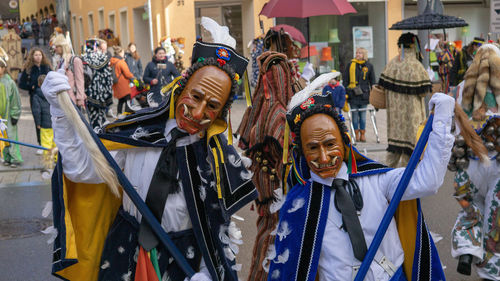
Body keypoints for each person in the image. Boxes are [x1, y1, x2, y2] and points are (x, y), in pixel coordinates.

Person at [42, 20, 256, 281]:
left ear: (221, 113)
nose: (198, 112)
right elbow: (83, 171)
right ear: (181, 88)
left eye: (212, 106)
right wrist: (60, 114)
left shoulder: (217, 160)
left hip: (181, 261)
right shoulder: (137, 133)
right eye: (196, 96)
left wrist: (206, 274)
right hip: (124, 251)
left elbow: (220, 228)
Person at [266, 78, 453, 281]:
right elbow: (289, 270)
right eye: (313, 147)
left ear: (345, 141)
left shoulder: (378, 179)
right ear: (301, 151)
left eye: (330, 144)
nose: (323, 157)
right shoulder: (298, 205)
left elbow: (428, 181)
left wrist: (442, 120)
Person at [448, 43, 500, 280]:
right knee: (494, 220)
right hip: (496, 166)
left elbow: (449, 128)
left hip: (465, 168)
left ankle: (467, 249)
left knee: (471, 212)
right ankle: (491, 271)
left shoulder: (459, 90)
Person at [378, 33, 431, 168]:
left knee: (392, 158)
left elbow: (381, 88)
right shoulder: (416, 66)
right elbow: (424, 92)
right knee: (410, 157)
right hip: (411, 121)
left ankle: (388, 178)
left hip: (395, 123)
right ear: (414, 46)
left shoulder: (391, 64)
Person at [19, 47, 52, 153]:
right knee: (38, 120)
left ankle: (50, 142)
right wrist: (31, 87)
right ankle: (41, 143)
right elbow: (22, 84)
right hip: (35, 98)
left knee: (48, 120)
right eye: (36, 55)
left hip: (47, 97)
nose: (38, 57)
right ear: (32, 57)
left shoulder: (46, 67)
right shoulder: (29, 69)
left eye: (40, 55)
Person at [343, 47, 375, 142]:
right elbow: (345, 80)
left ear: (364, 54)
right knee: (354, 116)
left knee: (363, 116)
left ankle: (363, 134)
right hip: (353, 94)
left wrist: (374, 91)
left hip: (364, 95)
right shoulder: (350, 65)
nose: (357, 54)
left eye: (360, 53)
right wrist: (346, 90)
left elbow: (372, 80)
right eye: (357, 53)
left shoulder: (369, 66)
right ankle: (356, 134)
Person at [81, 43, 114, 131]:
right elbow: (108, 76)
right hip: (103, 93)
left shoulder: (84, 59)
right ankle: (103, 131)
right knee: (102, 113)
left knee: (93, 115)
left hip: (90, 92)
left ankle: (96, 132)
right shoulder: (103, 58)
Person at [0, 53, 22, 168]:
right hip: (0, 117)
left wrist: (15, 114)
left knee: (11, 136)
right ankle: (7, 157)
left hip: (9, 115)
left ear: (4, 68)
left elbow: (15, 100)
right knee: (3, 138)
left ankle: (15, 158)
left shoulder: (9, 82)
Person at [52, 34, 86, 109]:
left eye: (57, 46)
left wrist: (80, 99)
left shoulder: (75, 60)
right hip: (63, 99)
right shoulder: (60, 61)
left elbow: (79, 80)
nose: (55, 49)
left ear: (62, 47)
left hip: (72, 100)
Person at [32, 74, 55, 171]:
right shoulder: (53, 93)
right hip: (54, 123)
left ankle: (48, 164)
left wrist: (38, 123)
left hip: (44, 125)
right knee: (55, 143)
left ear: (38, 84)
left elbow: (37, 111)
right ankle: (56, 161)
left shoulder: (36, 96)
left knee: (46, 144)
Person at [110, 46, 135, 115]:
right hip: (123, 84)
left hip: (116, 84)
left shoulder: (112, 61)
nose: (124, 54)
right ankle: (127, 113)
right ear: (120, 53)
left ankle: (119, 113)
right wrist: (136, 81)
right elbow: (127, 74)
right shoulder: (121, 62)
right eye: (123, 52)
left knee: (121, 100)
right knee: (128, 98)